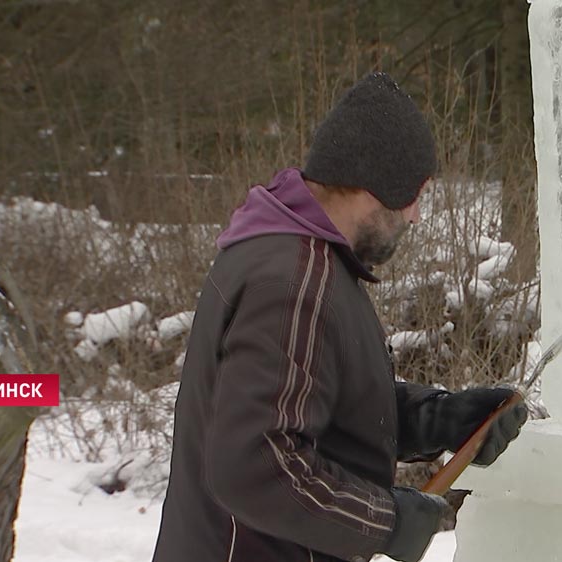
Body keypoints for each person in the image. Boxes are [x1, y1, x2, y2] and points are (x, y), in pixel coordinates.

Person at [151, 72, 528, 562]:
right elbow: (255, 465)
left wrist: (438, 419)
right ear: (378, 184)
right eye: (417, 194)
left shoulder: (292, 257)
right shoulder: (294, 283)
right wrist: (386, 522)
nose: (416, 216)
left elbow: (316, 405)